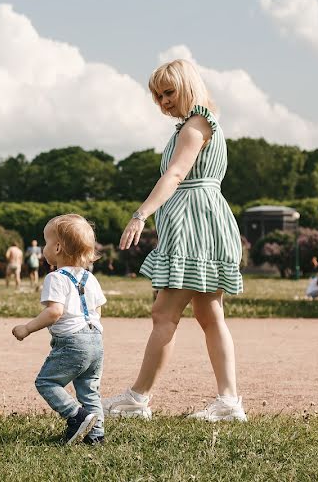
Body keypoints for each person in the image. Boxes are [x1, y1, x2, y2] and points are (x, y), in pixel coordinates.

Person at [102, 59, 246, 422]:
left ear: (188, 85)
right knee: (209, 313)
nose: (163, 101)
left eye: (169, 92)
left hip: (196, 226)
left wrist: (141, 213)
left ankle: (138, 398)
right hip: (202, 222)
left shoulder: (196, 125)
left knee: (164, 312)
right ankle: (228, 403)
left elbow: (178, 173)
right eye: (158, 95)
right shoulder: (195, 124)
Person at [11, 214, 106, 445]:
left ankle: (76, 416)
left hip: (72, 342)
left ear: (57, 247)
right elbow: (98, 310)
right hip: (96, 340)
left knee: (47, 382)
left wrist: (27, 328)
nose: (44, 247)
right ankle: (96, 435)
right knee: (89, 390)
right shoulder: (90, 278)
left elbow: (55, 312)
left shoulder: (56, 277)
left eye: (45, 242)